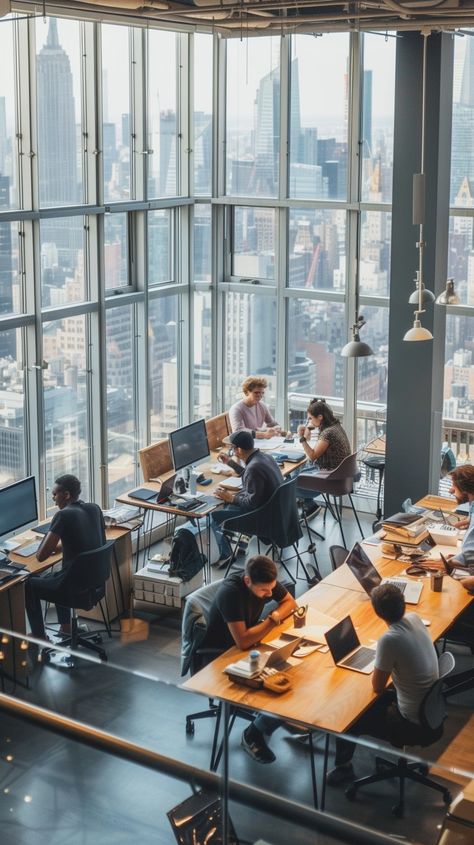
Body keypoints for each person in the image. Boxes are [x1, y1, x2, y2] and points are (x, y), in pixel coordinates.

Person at [327, 583, 439, 785]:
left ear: (376, 612)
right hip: (431, 711)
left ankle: (343, 769)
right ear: (403, 603)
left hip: (410, 723)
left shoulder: (389, 640)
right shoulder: (414, 619)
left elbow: (378, 687)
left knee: (348, 718)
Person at [201, 555, 297, 763]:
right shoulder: (231, 594)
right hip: (221, 654)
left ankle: (276, 719)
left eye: (272, 588)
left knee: (293, 672)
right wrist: (273, 620)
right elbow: (242, 641)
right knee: (280, 687)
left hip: (248, 646)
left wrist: (274, 615)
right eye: (264, 591)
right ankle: (254, 734)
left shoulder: (262, 577)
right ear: (247, 581)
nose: (270, 594)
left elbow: (290, 602)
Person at [25, 474, 106, 640]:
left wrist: (49, 535)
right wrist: (60, 545)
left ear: (67, 495)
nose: (53, 500)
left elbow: (41, 556)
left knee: (29, 583)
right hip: (94, 584)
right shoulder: (94, 508)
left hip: (73, 587)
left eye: (55, 494)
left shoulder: (63, 515)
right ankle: (66, 627)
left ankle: (39, 635)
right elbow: (88, 540)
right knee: (60, 573)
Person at [211, 429, 283, 567]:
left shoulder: (253, 468)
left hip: (262, 519)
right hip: (277, 514)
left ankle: (225, 554)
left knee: (213, 516)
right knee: (230, 506)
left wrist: (231, 498)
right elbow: (249, 475)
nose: (232, 452)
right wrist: (230, 463)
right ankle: (242, 544)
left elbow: (252, 503)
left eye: (232, 449)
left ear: (239, 450)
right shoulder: (264, 457)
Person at [296, 398, 351, 516]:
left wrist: (302, 438)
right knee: (300, 469)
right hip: (342, 476)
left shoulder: (328, 433)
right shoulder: (336, 426)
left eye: (310, 418)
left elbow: (312, 456)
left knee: (289, 482)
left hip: (331, 479)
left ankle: (304, 504)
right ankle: (309, 504)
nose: (309, 421)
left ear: (320, 417)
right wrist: (311, 428)